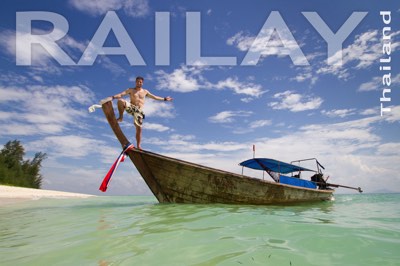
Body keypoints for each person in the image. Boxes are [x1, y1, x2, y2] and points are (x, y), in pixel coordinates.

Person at [111, 76, 173, 149]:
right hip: (131, 107)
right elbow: (121, 94)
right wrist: (113, 97)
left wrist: (164, 99)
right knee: (120, 101)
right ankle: (121, 117)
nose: (139, 83)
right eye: (137, 82)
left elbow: (154, 97)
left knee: (139, 128)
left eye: (140, 82)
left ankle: (139, 145)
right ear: (135, 82)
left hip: (139, 111)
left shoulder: (145, 92)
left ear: (142, 83)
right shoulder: (131, 90)